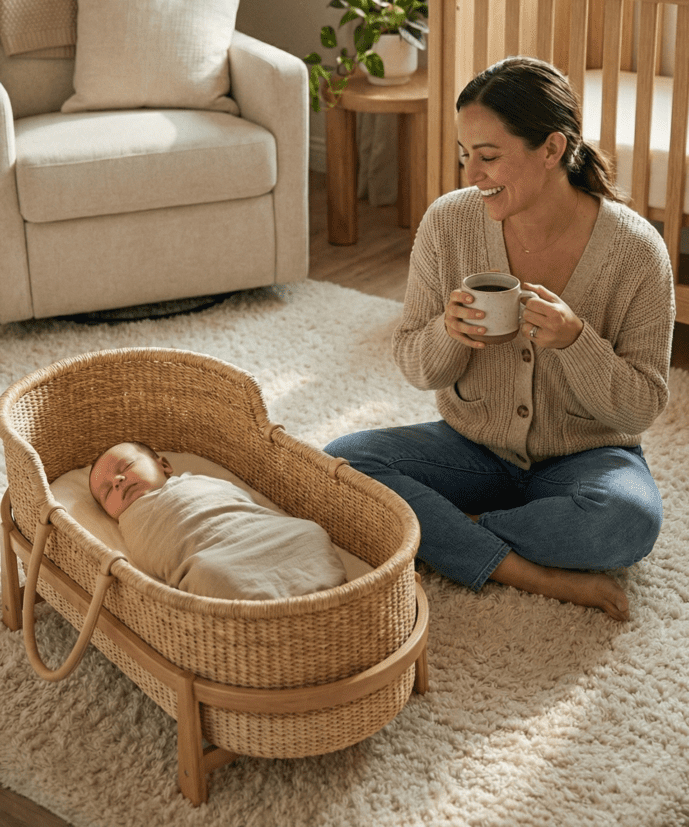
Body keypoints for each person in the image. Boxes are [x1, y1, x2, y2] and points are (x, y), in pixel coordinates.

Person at [325, 56, 675, 621]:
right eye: (466, 156)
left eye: (488, 157)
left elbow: (640, 406)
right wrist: (448, 333)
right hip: (473, 448)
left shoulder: (636, 252)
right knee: (341, 465)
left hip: (585, 455)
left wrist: (575, 341)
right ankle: (524, 567)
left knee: (628, 521)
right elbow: (415, 365)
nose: (471, 175)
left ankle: (446, 532)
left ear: (552, 149)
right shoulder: (448, 224)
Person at [89, 441, 346, 600]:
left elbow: (240, 502)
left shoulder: (199, 482)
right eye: (106, 491)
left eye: (125, 467)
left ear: (164, 465)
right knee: (211, 575)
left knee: (307, 532)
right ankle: (275, 606)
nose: (117, 481)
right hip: (216, 560)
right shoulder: (132, 523)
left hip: (267, 534)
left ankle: (321, 589)